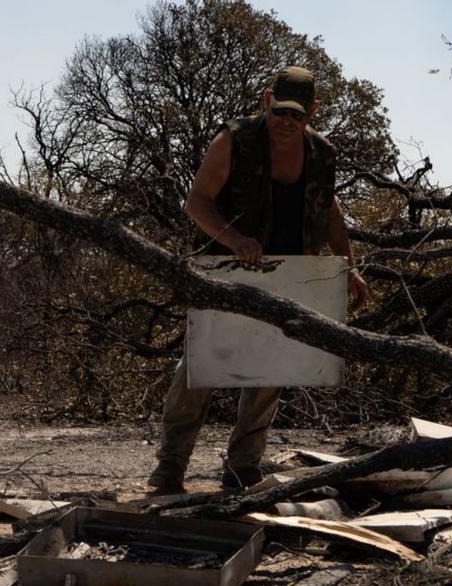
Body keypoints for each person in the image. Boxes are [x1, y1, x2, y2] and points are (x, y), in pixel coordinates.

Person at [147, 66, 369, 494]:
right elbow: (197, 202)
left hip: (290, 276)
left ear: (313, 113)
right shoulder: (233, 139)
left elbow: (332, 214)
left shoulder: (321, 153)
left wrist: (349, 266)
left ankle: (242, 468)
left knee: (270, 370)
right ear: (267, 100)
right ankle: (169, 469)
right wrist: (233, 239)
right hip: (226, 273)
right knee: (200, 368)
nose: (287, 122)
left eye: (297, 116)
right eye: (281, 111)